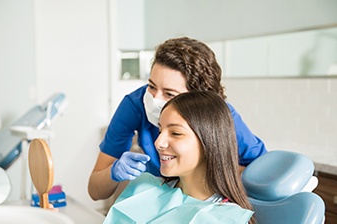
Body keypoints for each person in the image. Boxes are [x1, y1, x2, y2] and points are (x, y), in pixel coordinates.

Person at [88, 37, 267, 201]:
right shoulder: (135, 105)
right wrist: (114, 172)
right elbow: (95, 191)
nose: (155, 99)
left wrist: (215, 169)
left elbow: (264, 179)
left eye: (169, 93)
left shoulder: (221, 117)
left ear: (199, 102)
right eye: (151, 86)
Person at [86, 91, 257, 224]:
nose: (158, 142)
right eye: (160, 130)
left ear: (209, 142)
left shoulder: (228, 223)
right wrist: (113, 172)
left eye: (175, 133)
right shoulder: (144, 190)